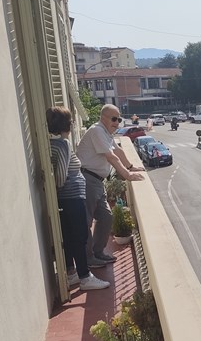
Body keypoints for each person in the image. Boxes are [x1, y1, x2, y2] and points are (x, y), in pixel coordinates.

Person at [47, 107, 110, 291]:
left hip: (66, 198)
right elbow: (61, 174)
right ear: (66, 124)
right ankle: (85, 277)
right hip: (72, 197)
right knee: (80, 236)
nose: (73, 123)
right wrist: (61, 187)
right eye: (71, 121)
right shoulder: (63, 144)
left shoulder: (51, 143)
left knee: (69, 237)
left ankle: (71, 273)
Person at [76, 104, 145, 268]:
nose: (117, 123)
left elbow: (118, 151)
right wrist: (127, 176)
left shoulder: (106, 133)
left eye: (119, 119)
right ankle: (88, 259)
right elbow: (111, 157)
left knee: (106, 217)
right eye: (114, 119)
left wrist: (130, 167)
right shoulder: (97, 131)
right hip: (88, 179)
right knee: (86, 222)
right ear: (103, 118)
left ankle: (98, 252)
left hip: (97, 181)